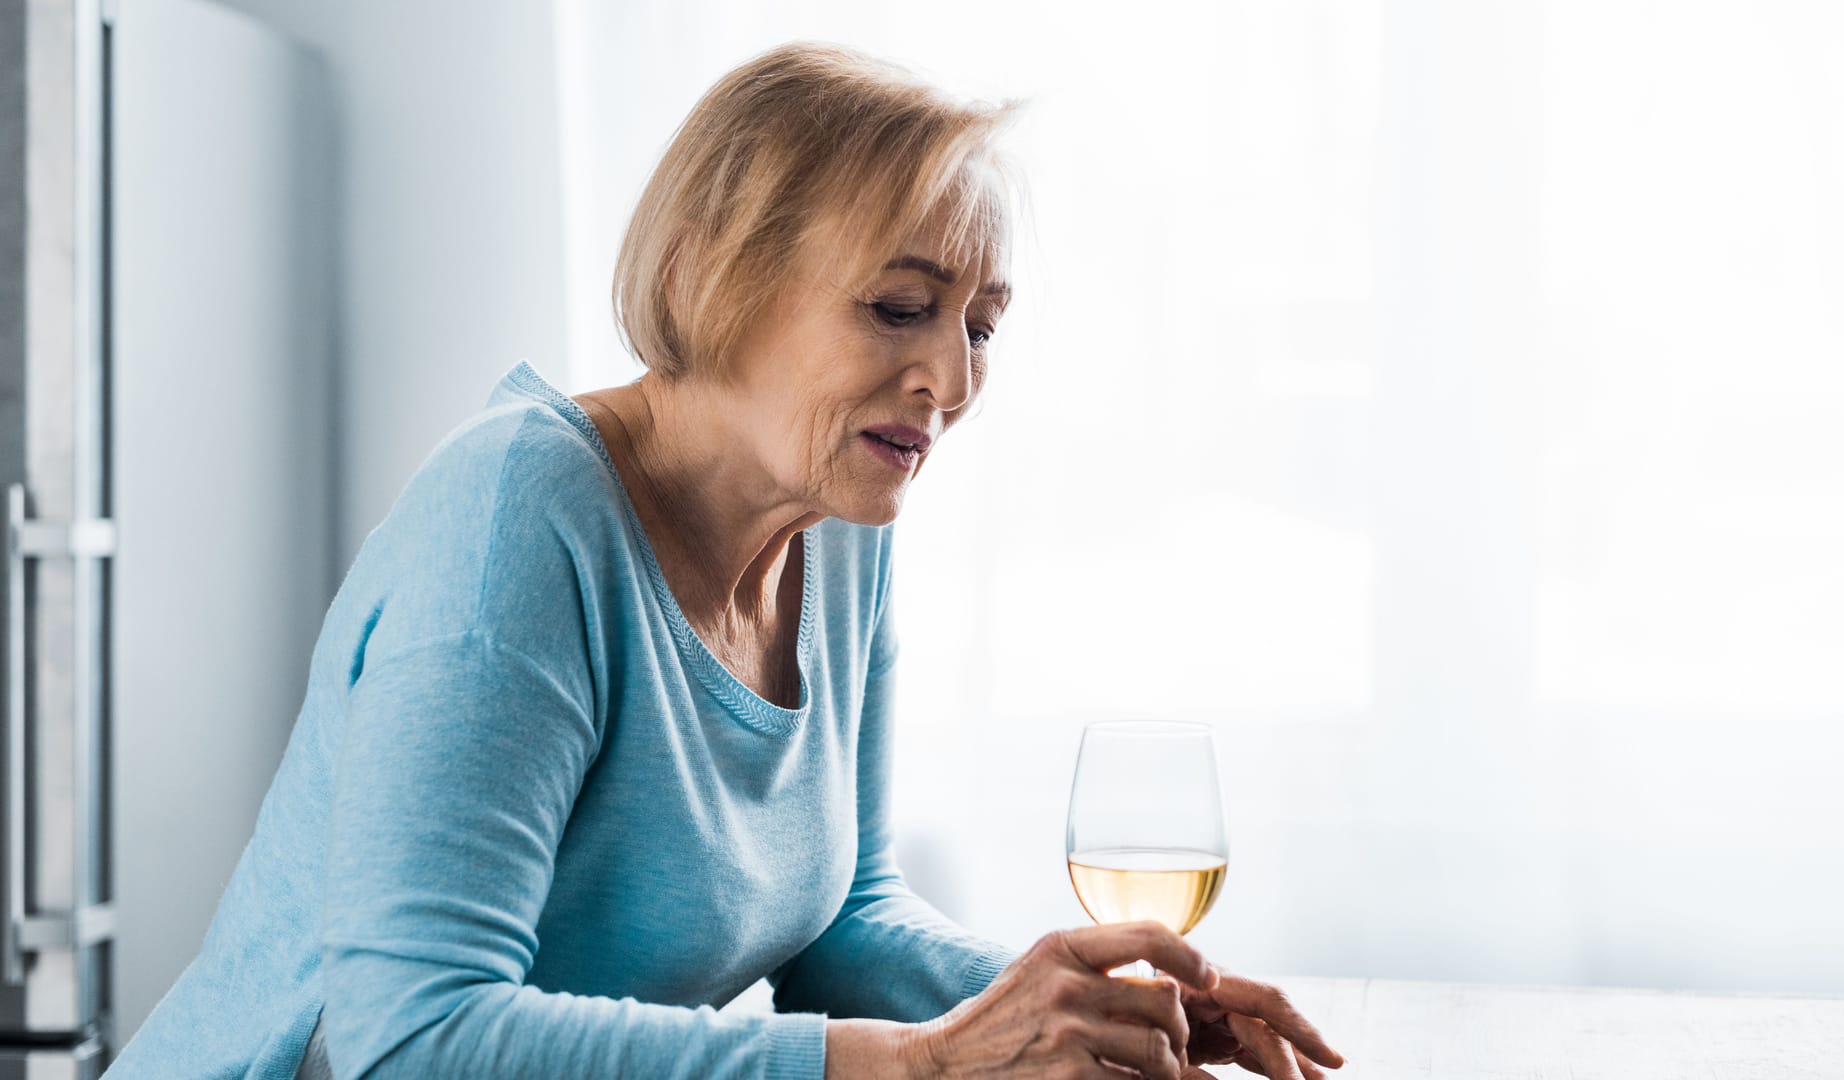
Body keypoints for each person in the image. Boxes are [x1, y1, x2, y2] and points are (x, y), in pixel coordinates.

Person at [104, 40, 1345, 1079]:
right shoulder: (516, 516)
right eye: (900, 307)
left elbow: (846, 923)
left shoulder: (840, 523)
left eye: (982, 325)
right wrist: (918, 1065)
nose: (954, 382)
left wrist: (1086, 1009)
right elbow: (415, 1036)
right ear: (711, 278)